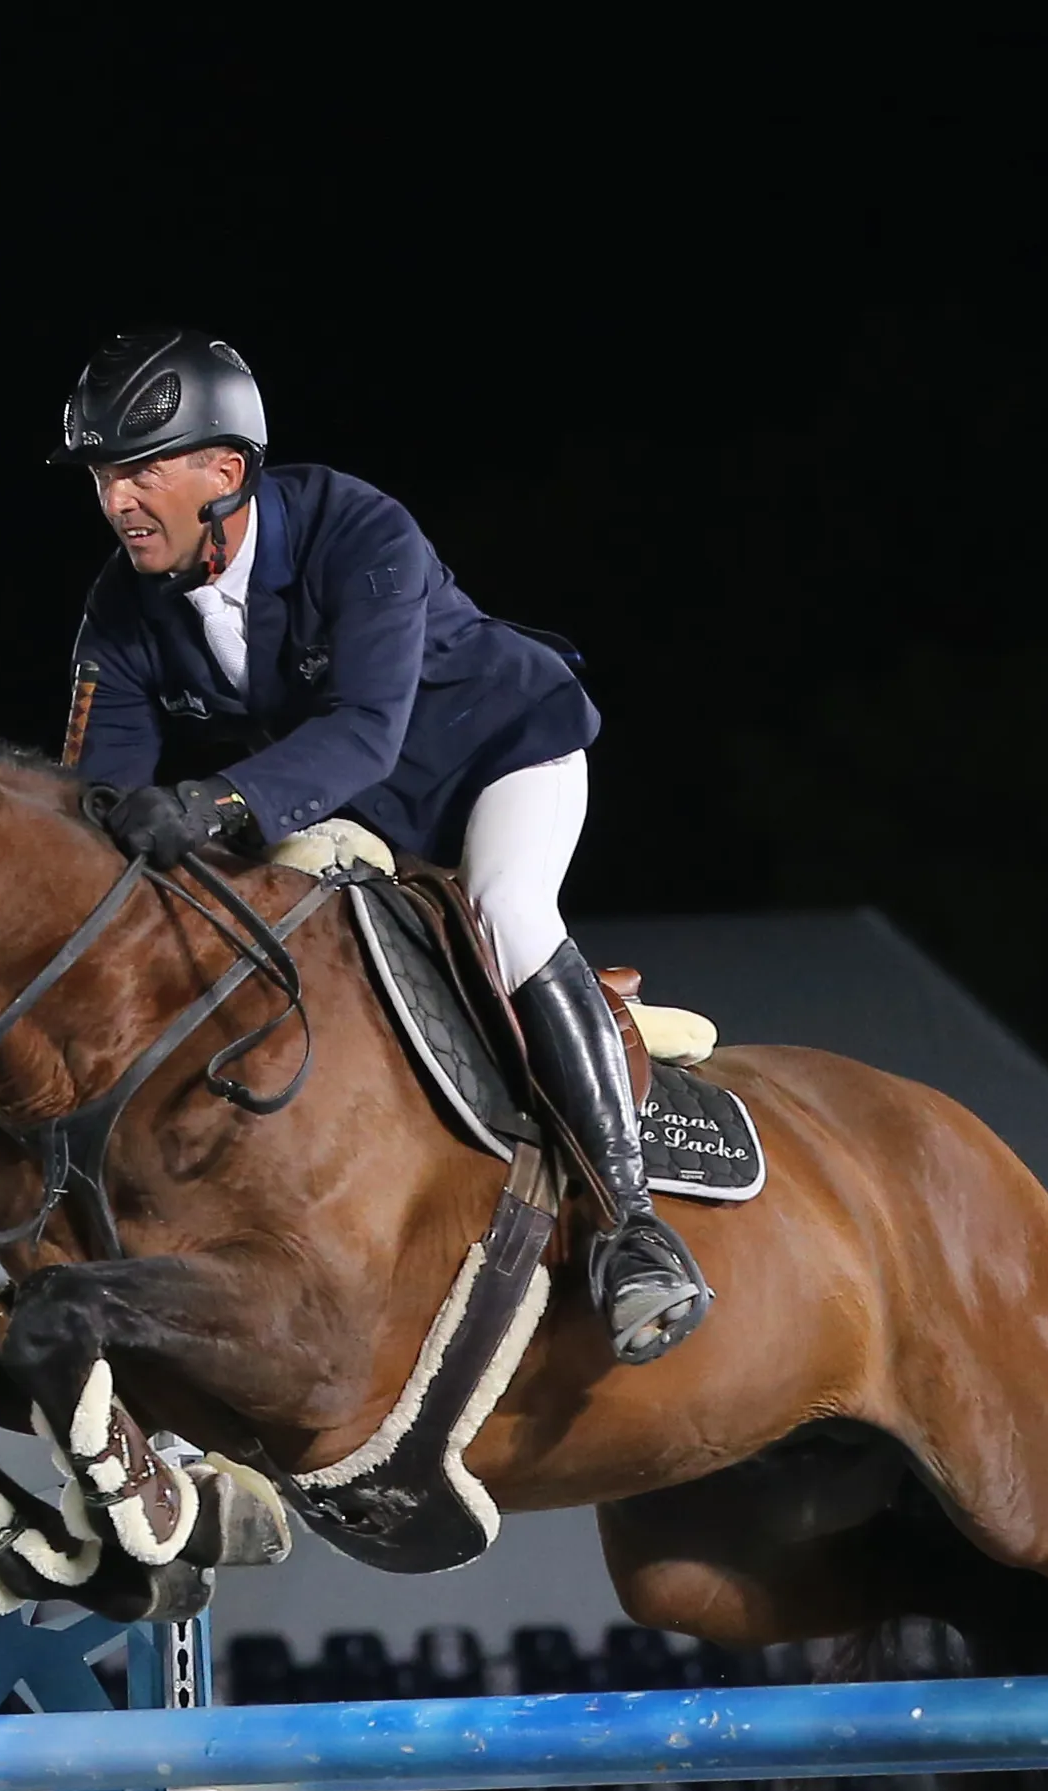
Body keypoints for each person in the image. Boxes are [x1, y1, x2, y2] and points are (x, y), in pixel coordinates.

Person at [52, 327, 711, 1366]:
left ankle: (634, 1231)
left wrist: (211, 807)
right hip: (353, 809)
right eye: (101, 478)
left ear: (224, 472)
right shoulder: (119, 609)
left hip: (497, 762)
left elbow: (365, 731)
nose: (113, 504)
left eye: (135, 474)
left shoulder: (357, 530)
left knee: (506, 910)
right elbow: (95, 797)